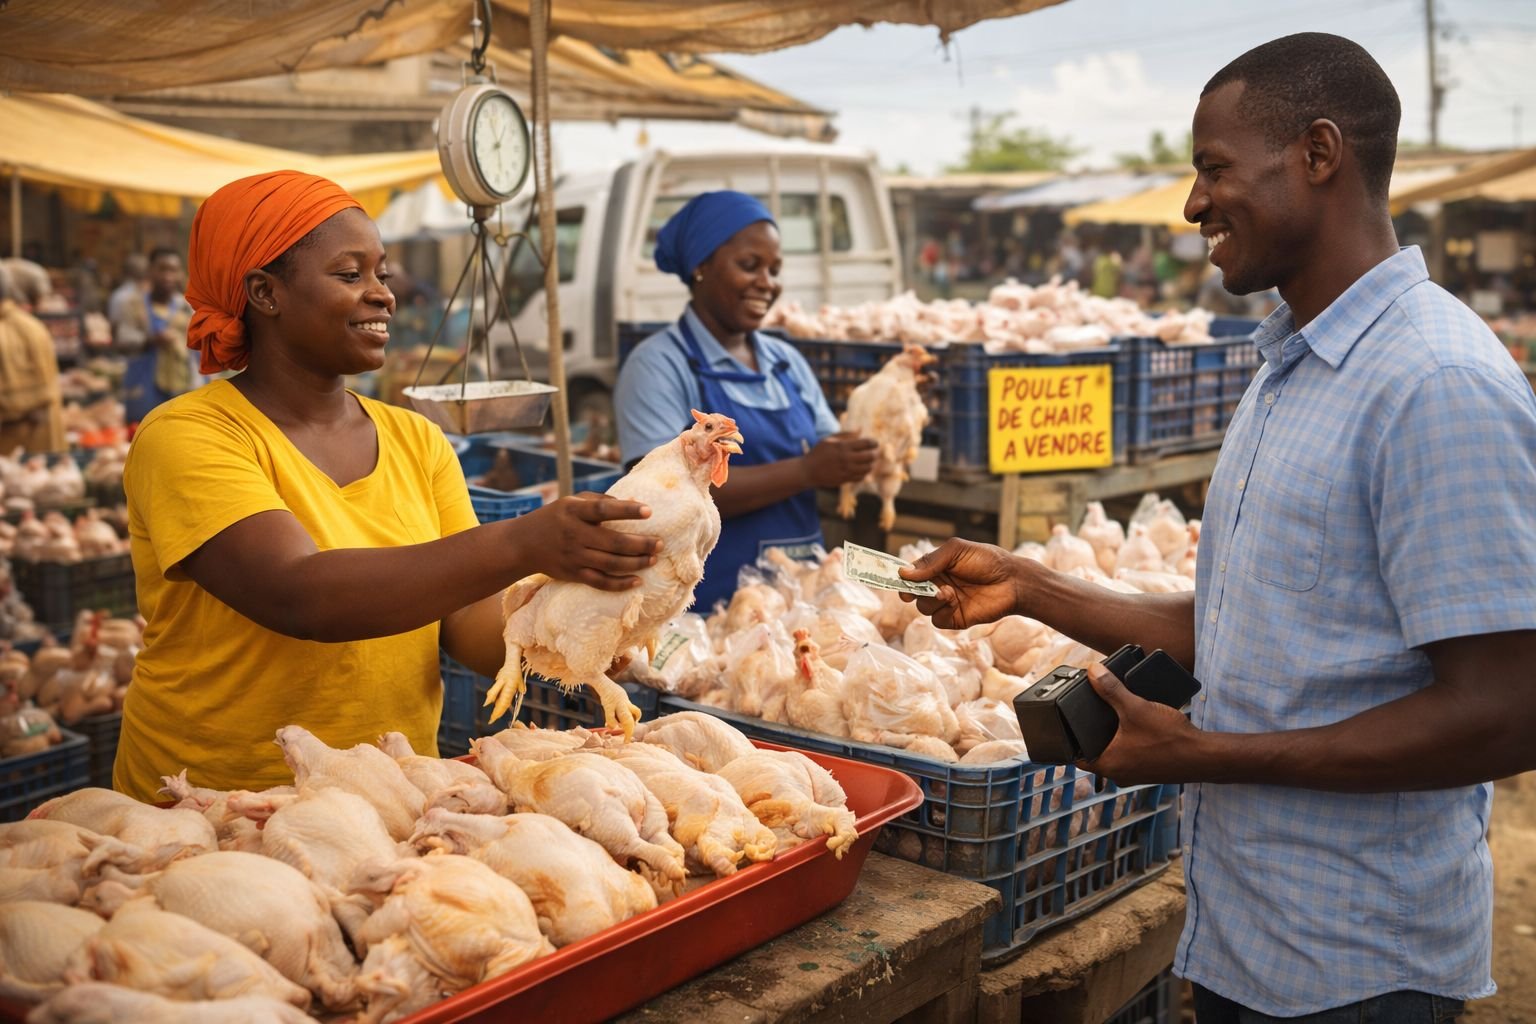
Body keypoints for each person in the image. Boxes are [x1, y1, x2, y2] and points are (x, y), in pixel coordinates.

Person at [899, 33, 1536, 1023]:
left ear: (1320, 154)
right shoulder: (1290, 368)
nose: (1194, 205)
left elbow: (1506, 709)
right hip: (1247, 934)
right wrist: (1030, 585)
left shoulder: (1433, 384)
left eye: (1213, 169)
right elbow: (1255, 629)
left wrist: (1208, 754)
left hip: (1359, 969)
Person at [114, 170, 661, 801]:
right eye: (350, 275)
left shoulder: (416, 439)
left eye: (382, 273)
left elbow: (464, 620)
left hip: (394, 796)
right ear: (265, 294)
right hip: (217, 803)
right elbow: (299, 595)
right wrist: (524, 545)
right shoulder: (189, 435)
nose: (382, 295)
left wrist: (567, 632)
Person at [613, 190, 877, 610]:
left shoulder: (785, 361)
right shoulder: (658, 364)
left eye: (774, 270)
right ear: (701, 266)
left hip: (798, 599)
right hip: (702, 607)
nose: (767, 284)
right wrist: (807, 470)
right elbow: (659, 500)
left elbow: (834, 449)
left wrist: (866, 450)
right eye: (749, 266)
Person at [122, 248, 203, 424]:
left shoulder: (187, 307)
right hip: (144, 389)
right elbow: (122, 339)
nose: (168, 276)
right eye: (162, 269)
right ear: (150, 271)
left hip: (181, 388)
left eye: (173, 270)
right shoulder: (134, 305)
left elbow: (199, 350)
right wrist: (150, 341)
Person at [0, 261, 65, 454]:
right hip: (41, 441)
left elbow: (15, 403)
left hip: (19, 449)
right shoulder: (31, 325)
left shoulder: (11, 331)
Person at [106, 252, 150, 350]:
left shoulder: (117, 295)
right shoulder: (146, 295)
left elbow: (113, 326)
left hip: (124, 347)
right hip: (142, 347)